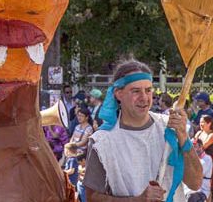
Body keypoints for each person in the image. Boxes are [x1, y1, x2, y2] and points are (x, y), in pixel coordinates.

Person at [84, 59, 202, 202]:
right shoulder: (102, 142)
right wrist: (137, 200)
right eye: (136, 91)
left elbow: (195, 183)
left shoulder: (169, 127)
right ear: (118, 94)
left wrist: (183, 137)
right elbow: (92, 198)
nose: (144, 98)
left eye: (148, 90)